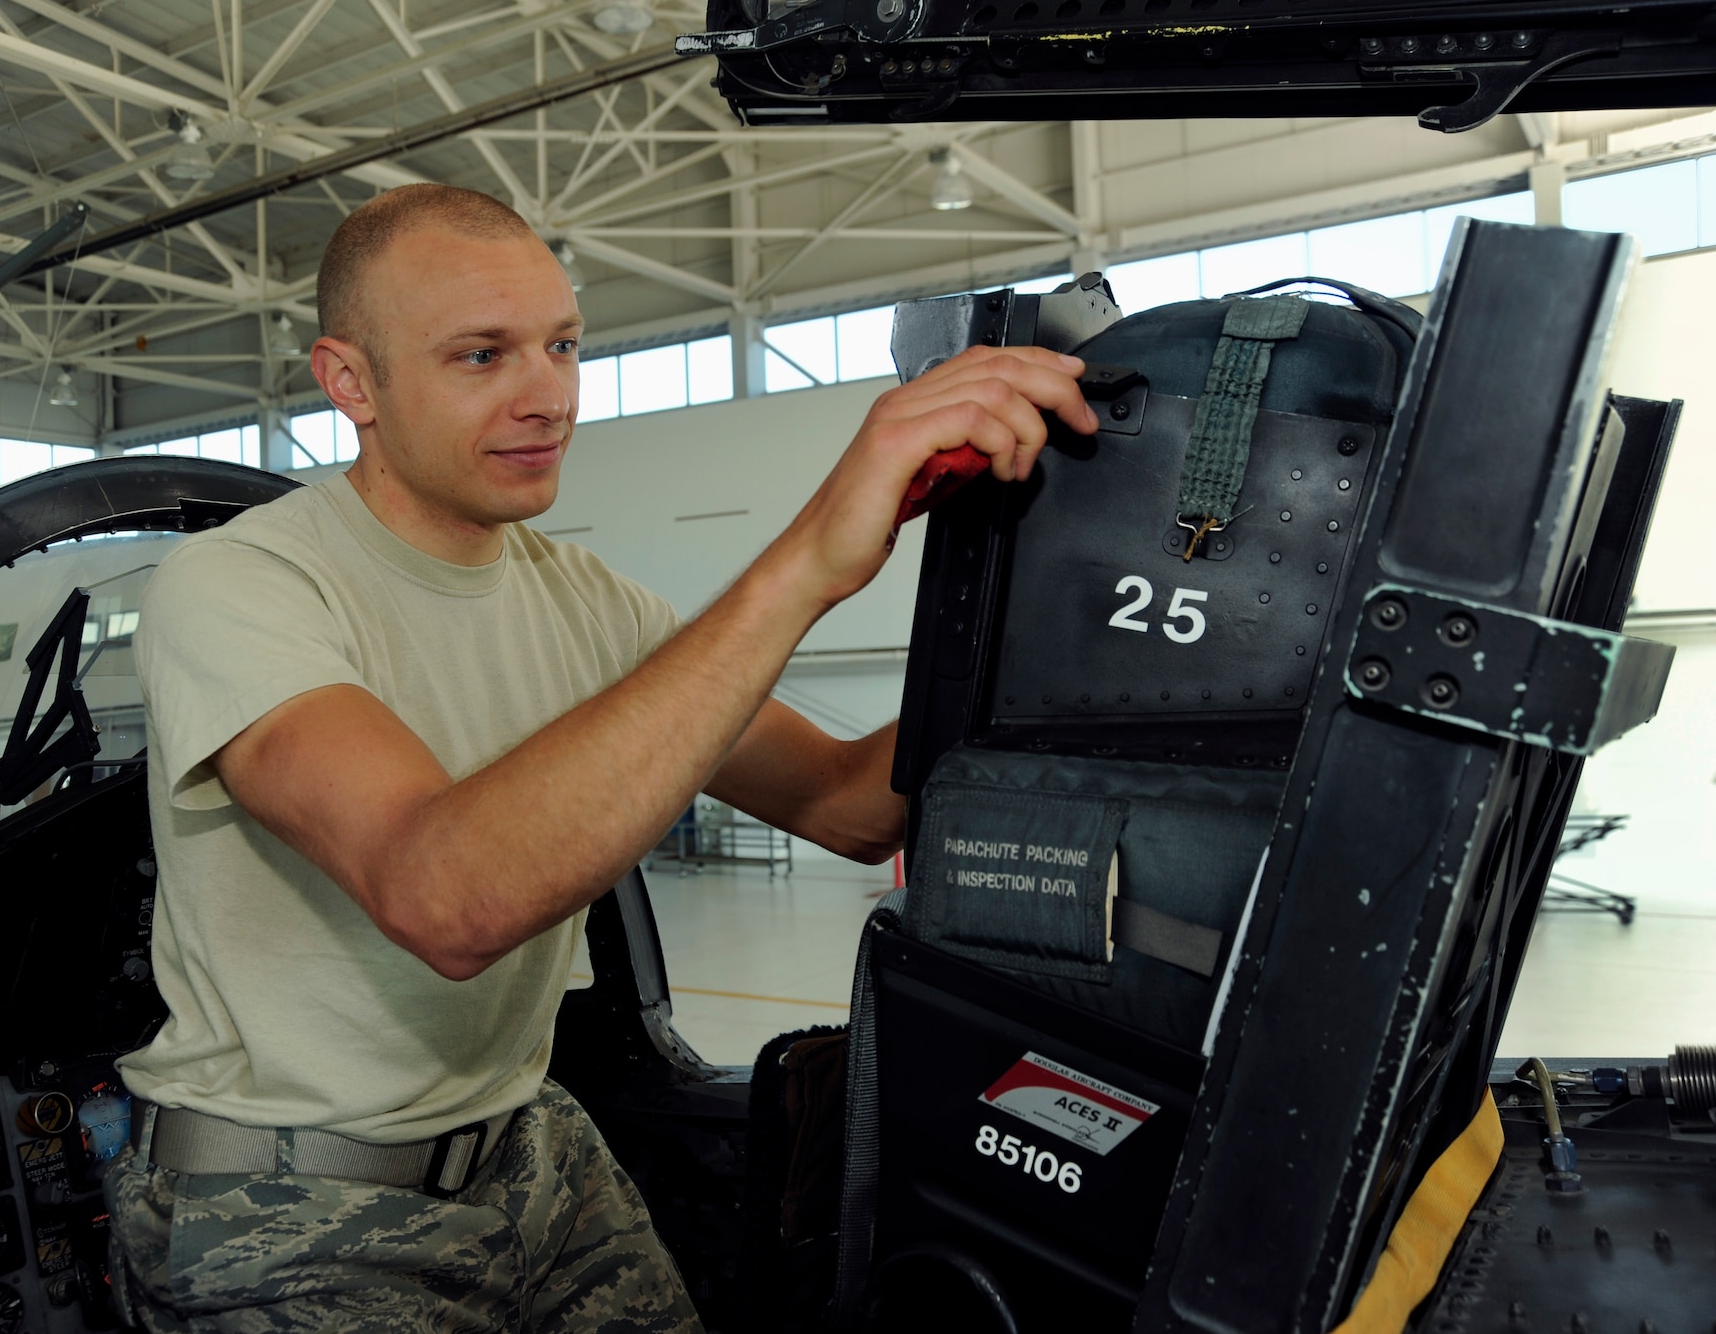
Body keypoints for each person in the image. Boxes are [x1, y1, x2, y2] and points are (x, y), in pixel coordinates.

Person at [104, 182, 1095, 1332]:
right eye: (482, 356)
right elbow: (445, 896)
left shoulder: (580, 600)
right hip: (292, 1195)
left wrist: (1040, 607)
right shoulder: (241, 585)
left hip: (525, 1142)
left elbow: (843, 803)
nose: (547, 398)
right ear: (349, 383)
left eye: (561, 346)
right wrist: (804, 562)